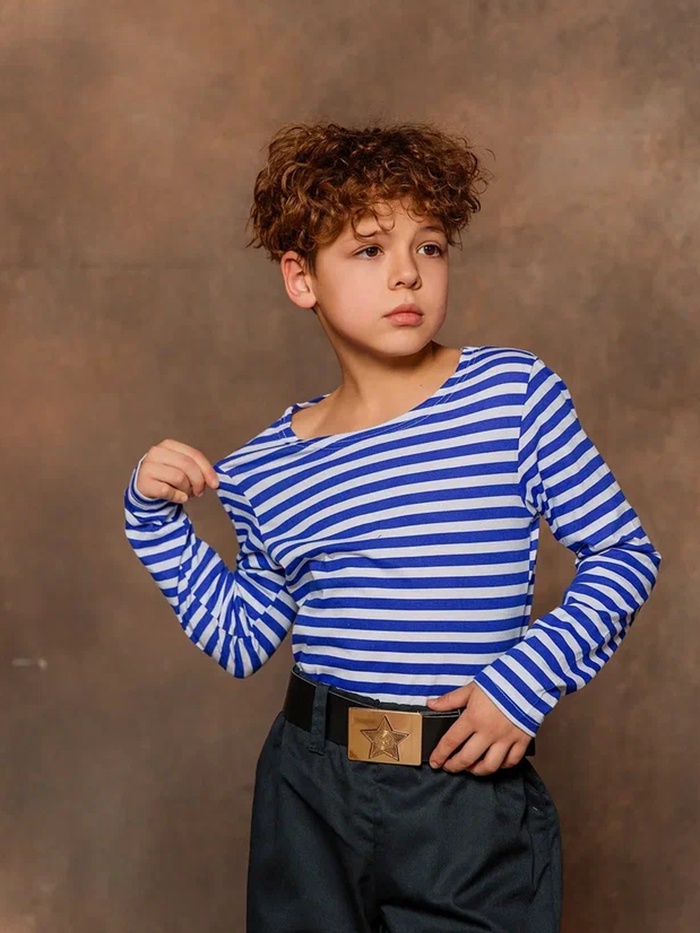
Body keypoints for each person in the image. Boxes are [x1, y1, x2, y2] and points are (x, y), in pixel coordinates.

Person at [123, 121, 661, 933]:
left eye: (430, 247)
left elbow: (623, 553)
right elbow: (239, 638)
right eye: (369, 249)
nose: (407, 272)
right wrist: (153, 518)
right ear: (300, 277)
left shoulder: (512, 396)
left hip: (462, 793)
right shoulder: (267, 466)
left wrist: (524, 683)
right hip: (309, 794)